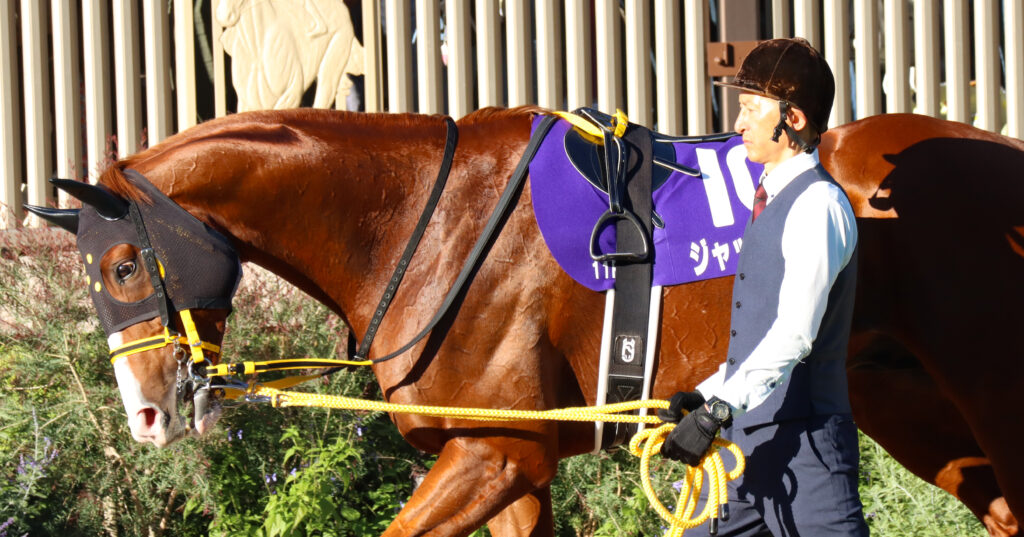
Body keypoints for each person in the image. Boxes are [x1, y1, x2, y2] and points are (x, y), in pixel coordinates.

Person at [659, 38, 868, 536]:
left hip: (810, 452)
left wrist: (718, 409)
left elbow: (795, 333)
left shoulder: (819, 207)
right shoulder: (770, 199)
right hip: (744, 448)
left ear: (792, 119)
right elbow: (755, 337)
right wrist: (706, 394)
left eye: (752, 109)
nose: (738, 124)